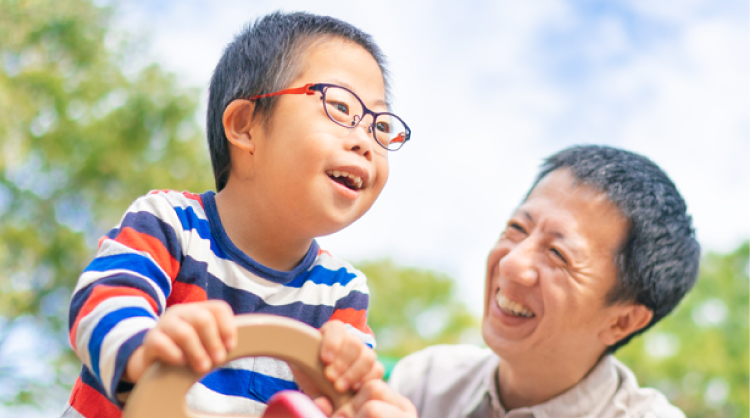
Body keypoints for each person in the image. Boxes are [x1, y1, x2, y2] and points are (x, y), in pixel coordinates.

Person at [63, 11, 411, 418]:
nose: (365, 142)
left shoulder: (341, 292)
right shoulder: (171, 223)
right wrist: (143, 345)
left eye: (380, 127)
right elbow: (104, 299)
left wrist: (349, 392)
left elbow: (346, 397)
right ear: (245, 125)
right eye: (339, 107)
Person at [314, 145, 700, 418]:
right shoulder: (427, 380)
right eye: (517, 228)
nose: (513, 264)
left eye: (558, 255)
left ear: (622, 321)